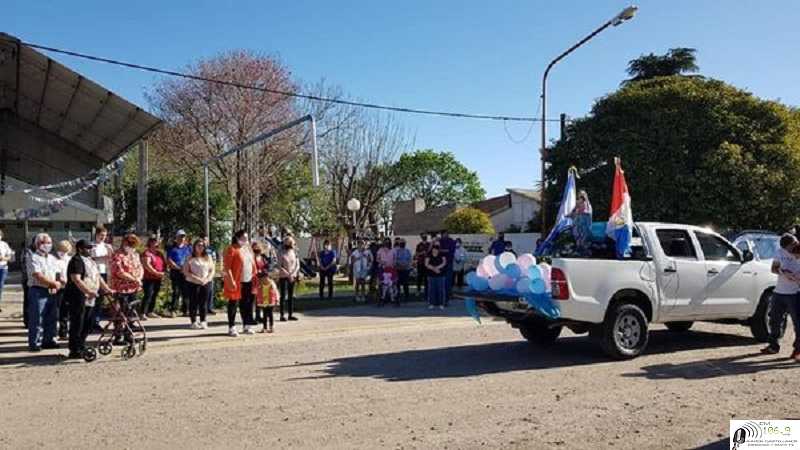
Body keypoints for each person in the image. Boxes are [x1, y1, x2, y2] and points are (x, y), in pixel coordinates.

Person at [65, 240, 112, 359]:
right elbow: (76, 279)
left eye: (91, 247)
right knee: (78, 323)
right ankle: (74, 349)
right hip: (79, 297)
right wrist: (88, 291)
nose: (90, 249)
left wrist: (107, 289)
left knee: (88, 323)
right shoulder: (76, 261)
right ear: (80, 249)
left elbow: (98, 276)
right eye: (88, 247)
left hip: (91, 296)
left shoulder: (91, 261)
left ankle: (81, 344)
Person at [762, 233, 800, 360]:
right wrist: (782, 272)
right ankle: (773, 345)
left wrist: (796, 277)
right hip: (779, 291)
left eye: (795, 243)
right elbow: (774, 268)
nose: (794, 247)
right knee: (774, 319)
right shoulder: (780, 252)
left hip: (795, 293)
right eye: (791, 246)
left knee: (797, 323)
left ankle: (798, 349)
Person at [26, 233, 62, 351]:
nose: (48, 245)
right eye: (45, 242)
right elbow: (38, 275)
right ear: (37, 244)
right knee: (37, 318)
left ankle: (49, 340)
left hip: (51, 290)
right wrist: (52, 283)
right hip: (38, 290)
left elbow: (57, 273)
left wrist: (58, 282)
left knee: (51, 317)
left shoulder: (52, 258)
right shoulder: (32, 257)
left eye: (49, 243)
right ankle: (35, 342)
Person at [222, 230, 258, 337]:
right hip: (236, 280)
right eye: (243, 238)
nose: (245, 240)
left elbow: (253, 262)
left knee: (247, 303)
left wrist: (254, 275)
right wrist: (231, 280)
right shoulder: (231, 249)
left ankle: (246, 324)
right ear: (237, 238)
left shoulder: (248, 249)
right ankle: (231, 327)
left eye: (246, 238)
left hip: (248, 279)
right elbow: (227, 267)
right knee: (233, 303)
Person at [110, 234, 144, 339]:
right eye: (130, 244)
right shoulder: (117, 255)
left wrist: (139, 278)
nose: (131, 247)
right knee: (121, 313)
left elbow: (140, 267)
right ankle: (118, 335)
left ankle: (128, 333)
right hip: (121, 288)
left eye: (133, 245)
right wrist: (134, 279)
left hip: (133, 288)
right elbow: (119, 272)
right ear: (124, 243)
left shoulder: (135, 255)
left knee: (131, 312)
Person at [183, 239, 215, 330]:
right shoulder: (189, 257)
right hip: (193, 283)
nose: (200, 247)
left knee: (203, 303)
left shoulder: (208, 257)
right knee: (193, 303)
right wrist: (197, 279)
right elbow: (186, 271)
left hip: (206, 282)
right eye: (198, 245)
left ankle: (203, 321)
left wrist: (207, 279)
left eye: (202, 245)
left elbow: (212, 270)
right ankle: (193, 322)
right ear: (194, 247)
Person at [89, 226, 114, 331]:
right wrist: (102, 258)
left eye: (105, 235)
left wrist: (110, 252)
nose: (103, 237)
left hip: (104, 272)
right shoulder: (91, 245)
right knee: (93, 298)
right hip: (94, 273)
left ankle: (96, 321)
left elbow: (112, 258)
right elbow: (89, 259)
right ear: (97, 235)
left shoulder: (107, 246)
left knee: (100, 299)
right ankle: (90, 321)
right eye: (101, 235)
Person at [166, 230, 192, 317]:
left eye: (183, 236)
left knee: (186, 292)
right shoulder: (172, 248)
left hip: (186, 272)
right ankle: (173, 310)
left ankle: (186, 310)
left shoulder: (188, 248)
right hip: (176, 272)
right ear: (176, 238)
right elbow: (169, 260)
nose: (182, 238)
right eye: (180, 236)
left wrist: (185, 268)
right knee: (176, 291)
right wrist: (179, 268)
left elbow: (191, 259)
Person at [141, 236, 166, 319]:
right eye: (154, 241)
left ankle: (150, 311)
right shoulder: (146, 253)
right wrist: (156, 273)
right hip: (149, 278)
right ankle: (142, 313)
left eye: (157, 241)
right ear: (150, 242)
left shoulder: (159, 253)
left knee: (154, 295)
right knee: (148, 294)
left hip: (158, 278)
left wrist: (163, 273)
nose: (156, 243)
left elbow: (164, 264)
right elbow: (147, 265)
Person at [278, 237, 301, 321]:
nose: (290, 244)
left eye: (291, 242)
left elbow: (297, 264)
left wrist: (293, 274)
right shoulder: (281, 252)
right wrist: (288, 275)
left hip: (293, 276)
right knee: (283, 296)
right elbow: (280, 265)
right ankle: (282, 315)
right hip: (284, 276)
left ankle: (290, 314)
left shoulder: (294, 252)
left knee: (291, 296)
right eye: (288, 242)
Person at [54, 240, 72, 340]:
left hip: (71, 287)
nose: (63, 253)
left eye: (65, 251)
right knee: (62, 311)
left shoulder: (70, 259)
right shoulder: (56, 261)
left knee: (71, 311)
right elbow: (57, 276)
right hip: (62, 288)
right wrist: (64, 281)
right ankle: (63, 331)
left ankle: (70, 330)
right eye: (61, 250)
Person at [570, 190, 594, 256]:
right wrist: (569, 214)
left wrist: (578, 212)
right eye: (579, 195)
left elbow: (586, 212)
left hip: (584, 224)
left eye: (582, 195)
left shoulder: (587, 204)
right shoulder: (577, 203)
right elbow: (573, 212)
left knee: (583, 237)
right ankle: (579, 250)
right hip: (578, 224)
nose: (580, 197)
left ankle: (584, 251)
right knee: (577, 235)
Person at [425, 244, 447, 311]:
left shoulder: (442, 254)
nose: (435, 251)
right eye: (433, 249)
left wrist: (437, 268)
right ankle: (431, 304)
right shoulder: (429, 255)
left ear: (438, 250)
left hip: (441, 275)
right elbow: (426, 264)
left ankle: (441, 304)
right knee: (431, 290)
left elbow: (444, 263)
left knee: (441, 290)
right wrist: (434, 269)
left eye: (436, 249)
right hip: (431, 275)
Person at [438, 230, 457, 305]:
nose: (445, 235)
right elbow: (435, 251)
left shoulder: (451, 241)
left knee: (447, 282)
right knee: (440, 282)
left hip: (448, 263)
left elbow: (450, 251)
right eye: (444, 234)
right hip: (439, 264)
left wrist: (440, 250)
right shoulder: (439, 241)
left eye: (446, 234)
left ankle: (446, 300)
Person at [203, 236, 218, 315]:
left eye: (206, 240)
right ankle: (202, 308)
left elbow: (215, 260)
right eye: (203, 240)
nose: (204, 241)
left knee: (210, 290)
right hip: (202, 272)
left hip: (210, 272)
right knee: (202, 291)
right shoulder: (199, 249)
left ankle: (209, 308)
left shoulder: (211, 249)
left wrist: (213, 269)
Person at [0, 229, 13, 314]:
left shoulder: (4, 245)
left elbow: (10, 257)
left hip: (3, 268)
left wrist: (3, 258)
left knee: (0, 286)